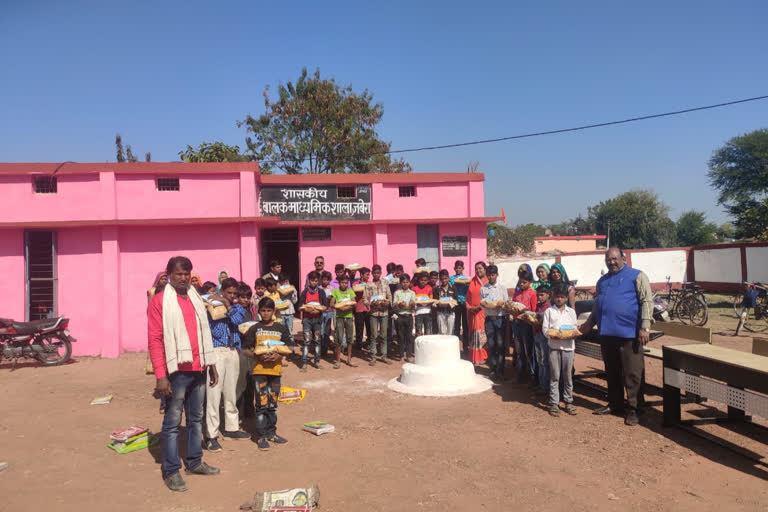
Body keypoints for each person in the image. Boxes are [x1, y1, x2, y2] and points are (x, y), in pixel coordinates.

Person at [148, 256, 220, 492]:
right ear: (169, 274)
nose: (183, 277)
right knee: (171, 422)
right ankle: (171, 471)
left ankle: (194, 462)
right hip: (177, 370)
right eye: (179, 273)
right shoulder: (160, 301)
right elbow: (155, 339)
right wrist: (161, 375)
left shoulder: (196, 297)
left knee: (195, 419)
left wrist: (211, 364)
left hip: (199, 367)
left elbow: (204, 331)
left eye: (187, 273)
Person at [579, 248, 653, 426]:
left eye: (614, 259)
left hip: (630, 335)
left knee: (632, 374)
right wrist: (590, 322)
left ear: (623, 258)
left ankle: (635, 408)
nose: (611, 262)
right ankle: (615, 404)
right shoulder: (602, 281)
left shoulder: (637, 276)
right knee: (611, 372)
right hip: (607, 334)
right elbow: (598, 305)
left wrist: (645, 326)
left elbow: (647, 301)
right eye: (608, 259)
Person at [204, 277, 249, 451]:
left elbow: (238, 320)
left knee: (231, 392)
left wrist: (226, 303)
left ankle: (231, 428)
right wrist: (219, 303)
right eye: (228, 293)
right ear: (221, 291)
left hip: (232, 351)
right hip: (216, 351)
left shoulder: (236, 307)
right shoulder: (210, 306)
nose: (232, 296)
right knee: (214, 394)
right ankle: (211, 435)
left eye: (234, 294)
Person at [241, 298, 290, 451]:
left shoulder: (281, 329)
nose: (266, 313)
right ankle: (261, 436)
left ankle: (272, 433)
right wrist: (257, 356)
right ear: (259, 311)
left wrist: (279, 356)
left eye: (269, 310)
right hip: (259, 372)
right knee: (261, 404)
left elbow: (290, 346)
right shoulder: (255, 329)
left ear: (274, 311)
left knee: (272, 404)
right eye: (263, 310)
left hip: (275, 371)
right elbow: (245, 349)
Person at [542, 283, 578, 417]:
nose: (559, 299)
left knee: (568, 376)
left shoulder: (571, 312)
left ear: (566, 298)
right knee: (554, 375)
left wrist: (573, 333)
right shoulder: (549, 311)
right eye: (557, 297)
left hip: (569, 348)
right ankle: (554, 403)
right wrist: (554, 334)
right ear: (553, 297)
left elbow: (574, 327)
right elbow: (545, 330)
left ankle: (569, 401)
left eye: (562, 297)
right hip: (554, 347)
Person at [480, 265, 508, 380]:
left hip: (500, 319)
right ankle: (493, 369)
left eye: (493, 275)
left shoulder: (502, 288)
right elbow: (482, 305)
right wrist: (485, 305)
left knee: (500, 345)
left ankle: (500, 370)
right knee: (491, 345)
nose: (491, 277)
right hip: (489, 321)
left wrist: (501, 305)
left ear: (497, 275)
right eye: (489, 275)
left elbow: (506, 305)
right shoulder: (483, 288)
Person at [147, 271, 169, 412]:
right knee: (162, 374)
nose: (163, 280)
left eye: (164, 278)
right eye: (161, 278)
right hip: (159, 335)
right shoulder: (152, 293)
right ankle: (163, 403)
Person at [297, 271, 328, 371]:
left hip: (317, 319)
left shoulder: (321, 292)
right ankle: (305, 362)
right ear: (308, 280)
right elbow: (299, 307)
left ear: (318, 281)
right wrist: (309, 309)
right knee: (306, 341)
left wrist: (317, 309)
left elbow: (326, 306)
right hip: (307, 320)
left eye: (316, 280)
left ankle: (317, 361)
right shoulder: (305, 292)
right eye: (312, 280)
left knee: (317, 341)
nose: (314, 282)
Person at [512, 269, 538, 385]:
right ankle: (520, 374)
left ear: (530, 282)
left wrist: (524, 311)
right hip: (517, 323)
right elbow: (512, 306)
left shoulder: (532, 293)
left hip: (527, 325)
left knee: (528, 350)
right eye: (520, 282)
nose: (522, 284)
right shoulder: (516, 293)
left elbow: (534, 311)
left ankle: (532, 376)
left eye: (524, 282)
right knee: (519, 350)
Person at [363, 264, 392, 365]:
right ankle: (373, 357)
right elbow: (364, 298)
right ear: (372, 273)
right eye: (374, 273)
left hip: (384, 312)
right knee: (373, 335)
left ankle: (384, 356)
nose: (376, 274)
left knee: (384, 335)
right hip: (373, 313)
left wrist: (387, 302)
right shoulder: (368, 285)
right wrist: (370, 304)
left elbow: (389, 296)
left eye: (378, 273)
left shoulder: (385, 284)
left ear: (380, 273)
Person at [236, 284, 256, 420]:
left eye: (247, 297)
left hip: (251, 350)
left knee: (251, 382)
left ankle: (249, 410)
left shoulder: (252, 310)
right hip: (240, 351)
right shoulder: (236, 311)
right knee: (240, 384)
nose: (245, 300)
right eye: (242, 297)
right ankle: (237, 413)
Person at [329, 274, 357, 368]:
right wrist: (340, 307)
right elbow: (332, 303)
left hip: (349, 317)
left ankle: (349, 359)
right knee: (339, 338)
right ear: (339, 283)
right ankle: (338, 360)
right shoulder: (335, 291)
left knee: (350, 338)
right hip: (339, 317)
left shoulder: (350, 291)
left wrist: (347, 307)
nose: (344, 284)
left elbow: (354, 303)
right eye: (342, 282)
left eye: (346, 283)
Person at [466, 262, 489, 362]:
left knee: (483, 335)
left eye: (480, 268)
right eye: (476, 269)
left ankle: (484, 356)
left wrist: (480, 306)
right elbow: (467, 298)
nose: (478, 270)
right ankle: (475, 357)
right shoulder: (472, 282)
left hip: (484, 313)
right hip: (473, 313)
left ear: (485, 269)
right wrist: (470, 308)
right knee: (474, 334)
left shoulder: (489, 282)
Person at [532, 284, 552, 396]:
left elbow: (542, 319)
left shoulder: (549, 308)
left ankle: (545, 386)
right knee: (540, 360)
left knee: (544, 361)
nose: (539, 297)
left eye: (542, 295)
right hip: (537, 334)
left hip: (544, 336)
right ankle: (541, 384)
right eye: (538, 295)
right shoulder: (538, 306)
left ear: (548, 295)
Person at [393, 274, 416, 361]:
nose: (405, 284)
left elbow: (414, 306)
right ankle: (401, 355)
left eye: (407, 282)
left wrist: (412, 304)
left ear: (409, 283)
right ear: (400, 283)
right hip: (400, 316)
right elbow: (394, 305)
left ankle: (409, 355)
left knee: (409, 336)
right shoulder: (397, 293)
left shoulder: (412, 293)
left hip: (409, 316)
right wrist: (399, 304)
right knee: (400, 336)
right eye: (403, 282)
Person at [450, 260, 470, 350]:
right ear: (454, 268)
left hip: (465, 303)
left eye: (460, 268)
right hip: (456, 303)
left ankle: (465, 347)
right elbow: (450, 287)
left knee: (465, 325)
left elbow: (469, 289)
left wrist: (466, 283)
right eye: (456, 268)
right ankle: (456, 348)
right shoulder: (451, 278)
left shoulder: (467, 278)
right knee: (456, 325)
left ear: (463, 268)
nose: (458, 270)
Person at [434, 269, 458, 335]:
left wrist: (450, 303)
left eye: (445, 278)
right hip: (440, 313)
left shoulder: (453, 288)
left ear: (448, 277)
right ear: (440, 279)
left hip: (451, 312)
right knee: (442, 332)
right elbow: (435, 301)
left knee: (450, 332)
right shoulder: (437, 289)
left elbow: (456, 300)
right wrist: (440, 304)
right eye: (442, 279)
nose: (444, 280)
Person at [278, 273, 298, 349]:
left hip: (290, 312)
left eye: (287, 281)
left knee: (290, 331)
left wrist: (293, 293)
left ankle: (291, 349)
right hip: (281, 313)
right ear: (280, 282)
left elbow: (295, 301)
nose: (286, 283)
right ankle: (282, 348)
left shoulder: (292, 289)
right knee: (281, 331)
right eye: (284, 281)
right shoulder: (278, 290)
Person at [354, 267, 371, 351]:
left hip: (368, 308)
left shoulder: (370, 284)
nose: (368, 276)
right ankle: (359, 345)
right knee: (359, 328)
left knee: (369, 328)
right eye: (367, 274)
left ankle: (368, 344)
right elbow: (354, 293)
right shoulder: (356, 284)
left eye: (369, 275)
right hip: (359, 309)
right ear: (361, 275)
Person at [412, 272, 433, 336]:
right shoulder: (414, 289)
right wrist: (418, 304)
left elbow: (431, 300)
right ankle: (419, 345)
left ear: (428, 280)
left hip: (428, 312)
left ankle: (427, 345)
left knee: (428, 330)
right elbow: (413, 300)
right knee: (418, 331)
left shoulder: (429, 288)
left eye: (425, 280)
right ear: (418, 280)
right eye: (421, 280)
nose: (423, 282)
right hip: (418, 312)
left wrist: (427, 303)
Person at [319, 271, 334, 358]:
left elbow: (333, 299)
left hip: (329, 312)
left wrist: (330, 298)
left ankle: (325, 349)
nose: (325, 281)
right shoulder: (319, 289)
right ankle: (321, 349)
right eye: (323, 279)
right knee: (321, 331)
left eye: (327, 280)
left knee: (327, 331)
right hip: (321, 312)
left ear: (329, 280)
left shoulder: (331, 289)